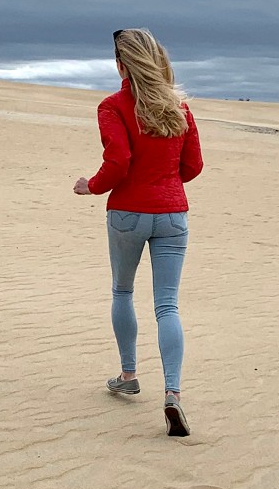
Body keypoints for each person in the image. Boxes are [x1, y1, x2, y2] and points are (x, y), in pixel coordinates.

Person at [74, 28, 203, 436]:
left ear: (120, 64)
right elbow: (192, 167)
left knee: (122, 292)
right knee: (167, 306)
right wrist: (165, 178)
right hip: (172, 214)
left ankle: (129, 374)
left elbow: (119, 163)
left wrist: (89, 186)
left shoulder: (113, 105)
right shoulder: (178, 106)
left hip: (128, 212)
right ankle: (173, 394)